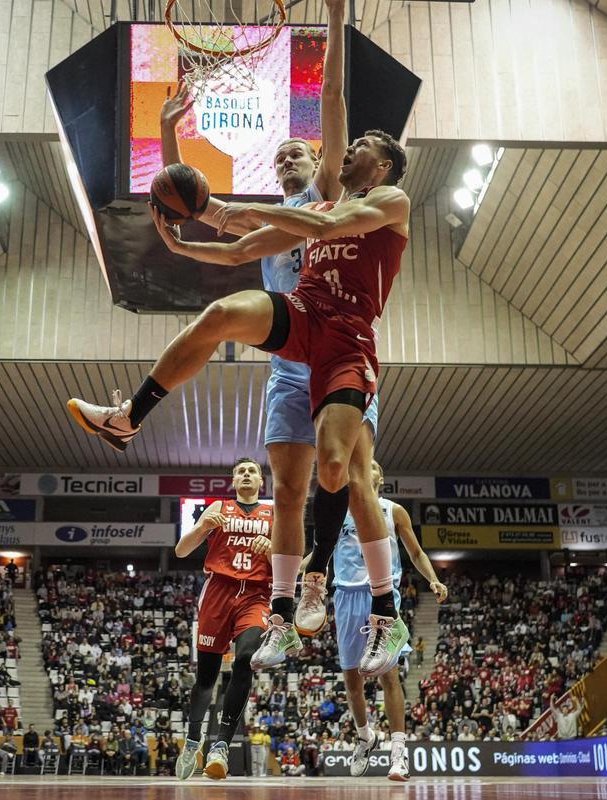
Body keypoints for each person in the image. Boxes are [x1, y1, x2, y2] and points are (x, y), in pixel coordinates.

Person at [74, 122, 410, 678]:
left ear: (382, 166)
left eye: (361, 148)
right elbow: (241, 250)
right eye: (349, 145)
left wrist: (238, 211)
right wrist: (186, 241)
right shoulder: (317, 208)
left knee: (337, 470)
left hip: (348, 340)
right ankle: (129, 416)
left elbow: (325, 223)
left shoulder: (390, 201)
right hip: (303, 315)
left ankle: (384, 612)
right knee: (222, 314)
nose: (349, 150)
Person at [157, 0, 370, 651]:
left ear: (318, 160)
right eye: (277, 160)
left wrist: (335, 18)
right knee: (287, 490)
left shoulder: (327, 197)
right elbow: (192, 198)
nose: (283, 162)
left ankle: (341, 584)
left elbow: (331, 97)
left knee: (349, 477)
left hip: (337, 350)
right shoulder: (265, 220)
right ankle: (281, 615)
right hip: (287, 363)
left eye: (293, 154)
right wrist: (168, 133)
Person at [312, 460, 447, 781]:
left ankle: (399, 755)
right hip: (346, 596)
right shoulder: (339, 511)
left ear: (381, 478)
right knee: (352, 680)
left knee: (390, 676)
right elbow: (320, 554)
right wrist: (289, 572)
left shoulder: (394, 511)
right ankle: (365, 737)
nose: (363, 467)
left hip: (382, 594)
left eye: (371, 465)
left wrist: (432, 579)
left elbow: (416, 553)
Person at [173, 458, 274, 780]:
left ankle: (221, 746)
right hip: (218, 591)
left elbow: (291, 564)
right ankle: (193, 741)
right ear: (233, 481)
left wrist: (272, 550)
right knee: (207, 676)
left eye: (252, 471)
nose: (246, 475)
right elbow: (180, 551)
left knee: (245, 659)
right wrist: (203, 527)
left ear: (261, 481)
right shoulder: (219, 508)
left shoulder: (274, 513)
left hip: (256, 595)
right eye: (241, 471)